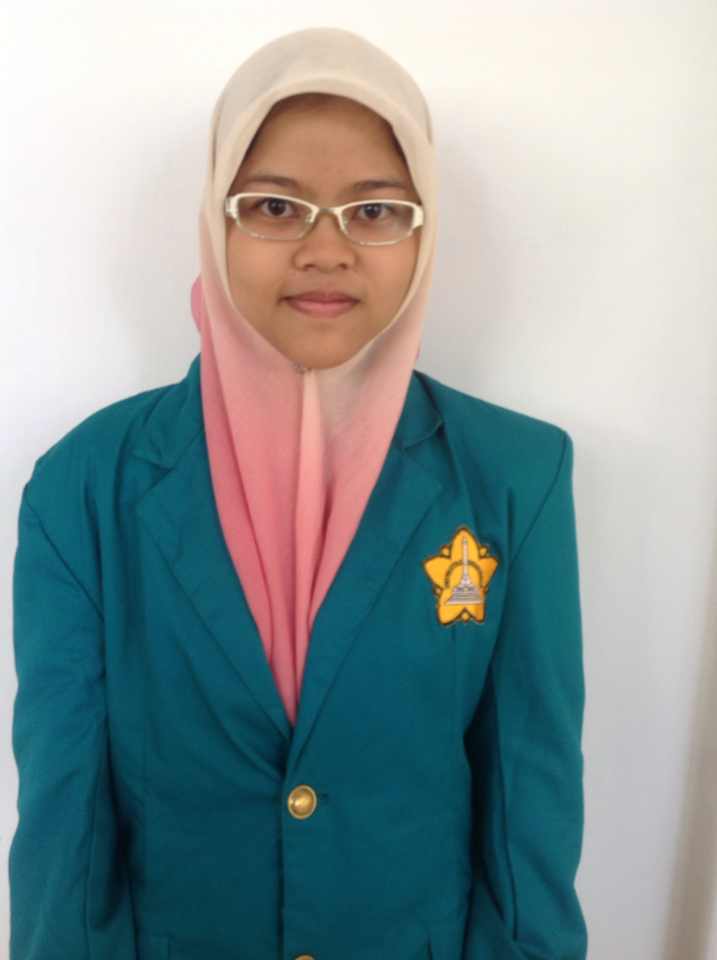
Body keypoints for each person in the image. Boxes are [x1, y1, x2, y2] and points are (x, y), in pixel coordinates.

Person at [9, 26, 588, 960]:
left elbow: (533, 805)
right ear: (216, 220)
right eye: (275, 206)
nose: (327, 249)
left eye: (375, 210)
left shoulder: (515, 476)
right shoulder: (84, 487)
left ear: (423, 229)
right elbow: (63, 836)